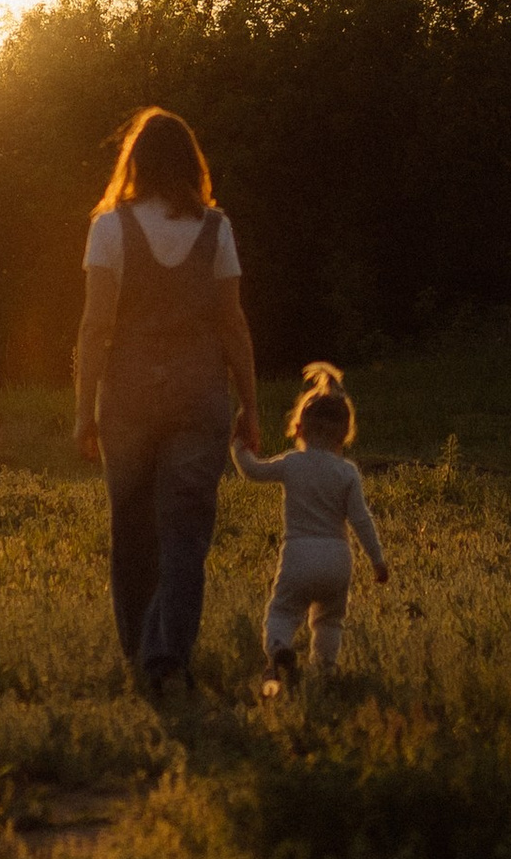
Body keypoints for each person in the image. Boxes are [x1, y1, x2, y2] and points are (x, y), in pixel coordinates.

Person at [73, 105, 259, 695]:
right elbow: (232, 324)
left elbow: (94, 326)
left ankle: (143, 657)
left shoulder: (109, 228)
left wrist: (83, 411)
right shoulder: (216, 228)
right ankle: (165, 658)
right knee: (184, 536)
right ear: (190, 163)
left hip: (126, 398)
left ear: (135, 162)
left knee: (131, 530)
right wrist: (251, 406)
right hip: (199, 395)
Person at [237, 360, 388, 683]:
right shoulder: (347, 473)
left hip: (299, 554)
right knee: (330, 621)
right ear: (345, 434)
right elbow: (361, 520)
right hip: (338, 559)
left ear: (299, 428)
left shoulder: (293, 464)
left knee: (283, 611)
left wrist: (238, 446)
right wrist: (377, 560)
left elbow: (254, 470)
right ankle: (325, 670)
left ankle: (279, 649)